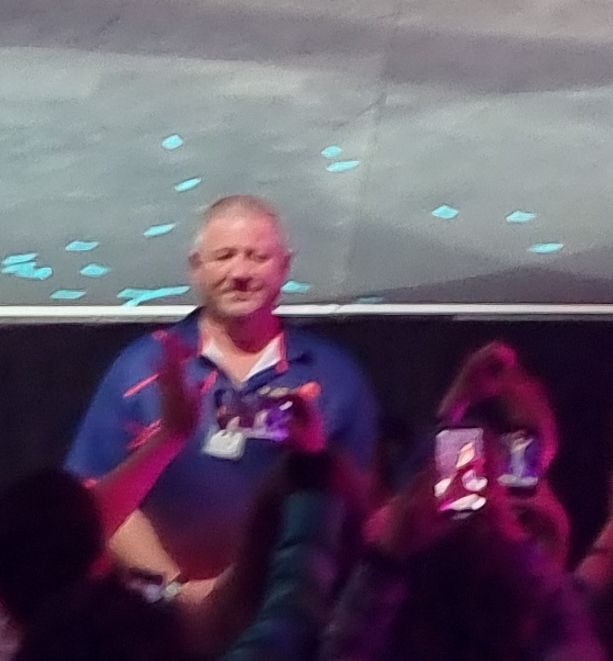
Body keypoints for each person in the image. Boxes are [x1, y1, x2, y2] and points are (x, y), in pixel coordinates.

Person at [64, 193, 379, 584]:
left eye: (257, 257)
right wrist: (178, 590)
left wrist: (312, 455)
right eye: (224, 256)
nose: (240, 272)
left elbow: (362, 513)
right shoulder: (144, 367)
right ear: (196, 267)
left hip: (285, 606)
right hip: (161, 609)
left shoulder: (334, 378)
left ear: (284, 267)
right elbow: (94, 495)